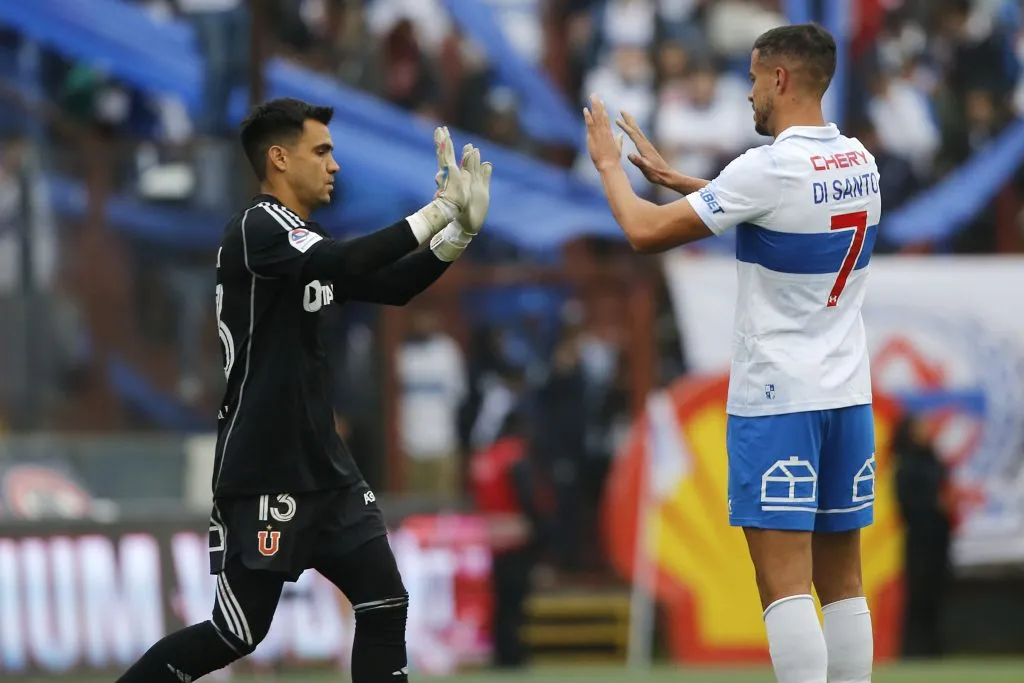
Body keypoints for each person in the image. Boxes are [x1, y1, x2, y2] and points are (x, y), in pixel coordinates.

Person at [115, 97, 493, 682]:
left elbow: (390, 285)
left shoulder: (301, 238)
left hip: (324, 468)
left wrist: (457, 235)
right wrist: (436, 210)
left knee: (384, 602)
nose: (334, 165)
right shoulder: (257, 228)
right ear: (278, 159)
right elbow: (349, 261)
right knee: (236, 632)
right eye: (321, 151)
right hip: (266, 466)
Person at [584, 23, 879, 683]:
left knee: (784, 585)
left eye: (752, 78)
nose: (747, 94)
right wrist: (682, 180)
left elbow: (642, 229)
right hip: (847, 395)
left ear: (779, 78)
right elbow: (776, 204)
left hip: (778, 399)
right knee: (844, 581)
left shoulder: (767, 167)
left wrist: (608, 164)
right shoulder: (859, 159)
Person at [892, 413, 953, 659]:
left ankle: (934, 648)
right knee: (917, 595)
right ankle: (912, 651)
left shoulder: (934, 458)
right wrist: (933, 505)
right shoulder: (905, 463)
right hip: (918, 539)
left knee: (935, 594)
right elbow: (904, 504)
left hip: (939, 538)